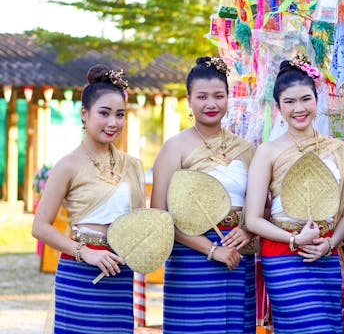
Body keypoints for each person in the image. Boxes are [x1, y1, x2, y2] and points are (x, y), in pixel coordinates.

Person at [244, 55, 344, 333]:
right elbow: (252, 219)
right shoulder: (267, 151)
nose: (299, 108)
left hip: (325, 255)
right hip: (283, 257)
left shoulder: (341, 151)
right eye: (289, 102)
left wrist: (329, 245)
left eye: (306, 99)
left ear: (317, 100)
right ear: (278, 107)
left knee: (328, 327)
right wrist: (294, 239)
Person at [32, 64, 145, 333]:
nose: (113, 122)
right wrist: (87, 254)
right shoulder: (68, 165)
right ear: (84, 114)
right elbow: (40, 227)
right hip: (79, 270)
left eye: (120, 114)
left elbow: (140, 223)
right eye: (104, 113)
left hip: (118, 271)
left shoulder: (132, 166)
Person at [150, 57, 256, 333]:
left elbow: (262, 207)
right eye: (202, 96)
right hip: (191, 258)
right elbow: (160, 218)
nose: (211, 104)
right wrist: (211, 249)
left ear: (228, 98)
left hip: (237, 255)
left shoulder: (246, 149)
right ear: (189, 99)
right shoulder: (174, 148)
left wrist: (247, 230)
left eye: (218, 96)